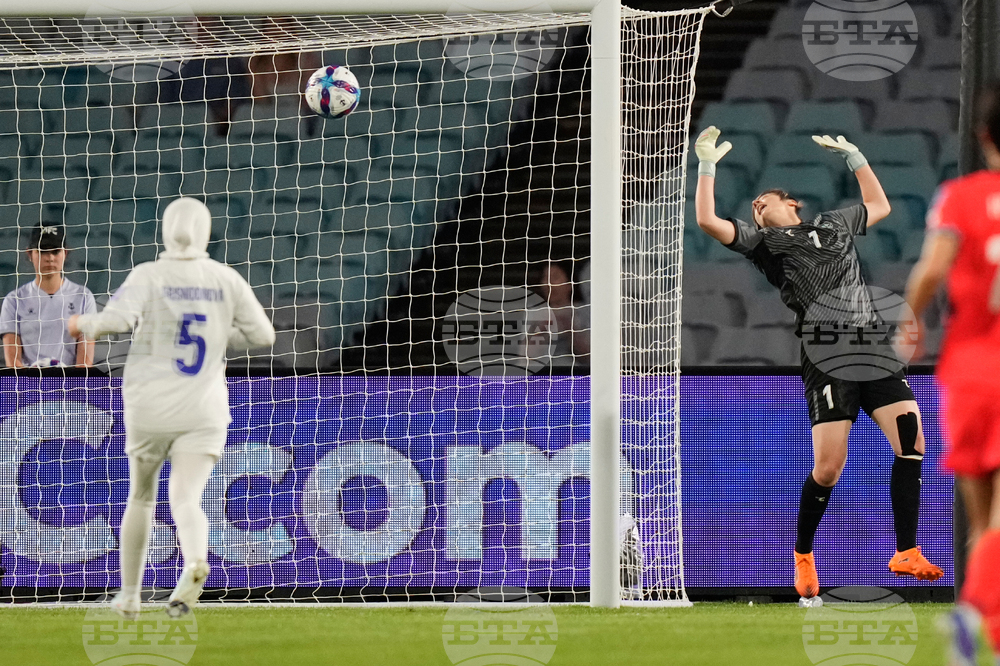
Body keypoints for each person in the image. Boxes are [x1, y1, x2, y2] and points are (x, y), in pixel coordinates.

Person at [693, 126, 943, 602]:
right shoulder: (765, 244)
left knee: (913, 442)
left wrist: (856, 157)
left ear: (792, 203)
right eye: (753, 206)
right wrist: (707, 166)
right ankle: (804, 554)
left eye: (764, 201)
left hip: (873, 349)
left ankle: (906, 551)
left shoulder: (833, 223)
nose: (756, 207)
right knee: (829, 468)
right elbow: (707, 220)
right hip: (826, 353)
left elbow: (880, 205)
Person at [68, 197, 275, 618]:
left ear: (165, 230)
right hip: (204, 408)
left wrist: (82, 323)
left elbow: (116, 321)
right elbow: (264, 337)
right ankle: (195, 559)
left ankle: (129, 596)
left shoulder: (149, 274)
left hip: (151, 406)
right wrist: (219, 335)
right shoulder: (226, 278)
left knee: (141, 498)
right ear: (206, 231)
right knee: (186, 498)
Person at [903, 83, 1000, 666]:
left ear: (984, 134)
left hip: (968, 372)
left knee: (981, 519)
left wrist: (909, 321)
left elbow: (932, 269)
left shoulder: (958, 197)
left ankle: (978, 635)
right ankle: (971, 611)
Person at [1, 224, 95, 368]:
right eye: (42, 251)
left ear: (65, 253)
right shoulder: (14, 300)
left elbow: (85, 362)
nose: (50, 258)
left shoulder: (83, 297)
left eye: (55, 251)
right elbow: (13, 362)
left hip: (70, 380)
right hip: (28, 380)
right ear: (30, 254)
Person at [534, 261, 590, 363]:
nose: (549, 284)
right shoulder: (535, 313)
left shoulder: (584, 310)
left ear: (569, 284)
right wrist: (540, 331)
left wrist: (569, 329)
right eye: (546, 278)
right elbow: (525, 357)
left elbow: (589, 355)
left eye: (555, 278)